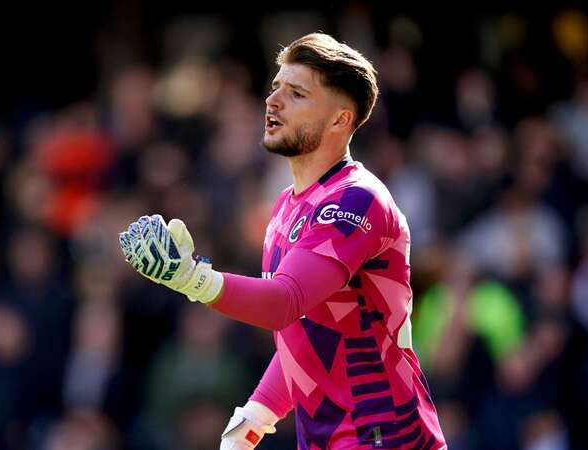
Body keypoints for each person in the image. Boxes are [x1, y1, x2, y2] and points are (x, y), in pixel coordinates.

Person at [119, 32, 446, 450]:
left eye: (296, 94)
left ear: (339, 120)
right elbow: (307, 336)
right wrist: (253, 419)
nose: (273, 101)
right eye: (276, 88)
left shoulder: (357, 200)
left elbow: (283, 303)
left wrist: (191, 279)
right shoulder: (285, 208)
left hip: (384, 434)